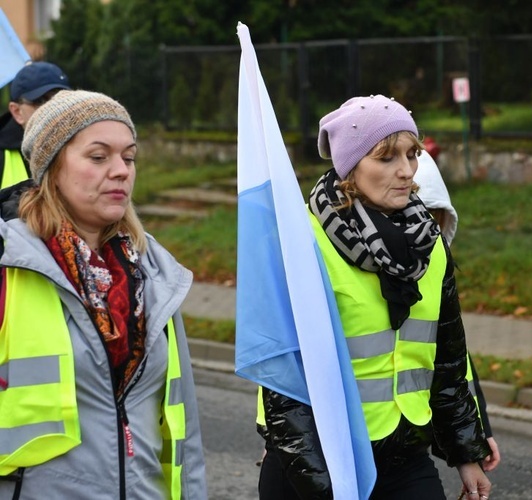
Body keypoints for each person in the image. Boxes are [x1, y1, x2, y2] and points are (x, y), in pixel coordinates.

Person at [257, 94, 492, 500]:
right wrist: (323, 485)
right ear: (349, 169)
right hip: (316, 462)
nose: (407, 172)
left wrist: (464, 452)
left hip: (403, 455)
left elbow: (449, 360)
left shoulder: (430, 244)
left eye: (412, 154)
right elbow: (285, 388)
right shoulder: (304, 242)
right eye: (387, 158)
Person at [0, 90, 207, 499]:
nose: (120, 171)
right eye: (98, 157)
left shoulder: (154, 272)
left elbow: (187, 436)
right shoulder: (11, 265)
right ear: (51, 167)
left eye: (128, 158)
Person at [414, 151, 501, 472]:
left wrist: (477, 436)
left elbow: (455, 362)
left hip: (406, 445)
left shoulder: (436, 270)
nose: (423, 235)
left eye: (433, 224)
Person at [0, 61, 70, 188]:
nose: (52, 108)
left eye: (60, 99)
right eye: (40, 101)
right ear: (17, 111)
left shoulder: (86, 147)